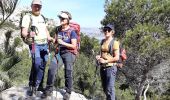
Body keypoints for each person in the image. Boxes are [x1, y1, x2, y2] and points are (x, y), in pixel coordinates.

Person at [21, 0, 54, 96]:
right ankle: (31, 85)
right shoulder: (27, 17)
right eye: (35, 5)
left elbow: (46, 29)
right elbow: (23, 32)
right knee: (36, 63)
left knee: (43, 65)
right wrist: (28, 34)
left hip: (44, 45)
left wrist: (49, 37)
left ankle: (38, 85)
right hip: (35, 44)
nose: (37, 7)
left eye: (39, 6)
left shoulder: (42, 17)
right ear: (31, 6)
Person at [42, 11, 77, 100]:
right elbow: (56, 41)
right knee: (51, 69)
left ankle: (68, 92)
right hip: (59, 53)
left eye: (63, 18)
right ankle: (49, 89)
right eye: (60, 18)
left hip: (69, 53)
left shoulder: (72, 31)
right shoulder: (58, 29)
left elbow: (74, 45)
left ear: (67, 20)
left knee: (68, 72)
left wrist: (63, 43)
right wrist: (51, 39)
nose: (61, 20)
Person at [96, 23, 120, 100]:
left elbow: (117, 57)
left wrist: (105, 61)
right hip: (102, 67)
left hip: (111, 68)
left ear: (112, 32)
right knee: (105, 88)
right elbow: (101, 52)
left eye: (108, 30)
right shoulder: (103, 41)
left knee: (110, 89)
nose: (106, 31)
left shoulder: (115, 43)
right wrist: (98, 57)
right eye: (105, 30)